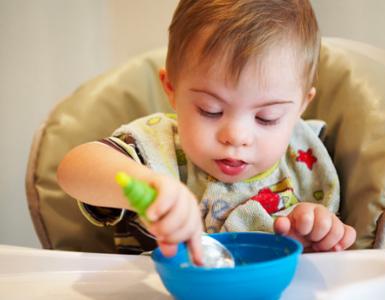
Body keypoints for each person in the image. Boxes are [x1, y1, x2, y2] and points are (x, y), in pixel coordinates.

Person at [57, 0, 356, 265]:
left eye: (267, 117)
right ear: (171, 89)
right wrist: (147, 190)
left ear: (302, 105)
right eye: (210, 110)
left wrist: (319, 235)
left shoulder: (303, 159)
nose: (236, 136)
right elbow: (74, 169)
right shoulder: (157, 148)